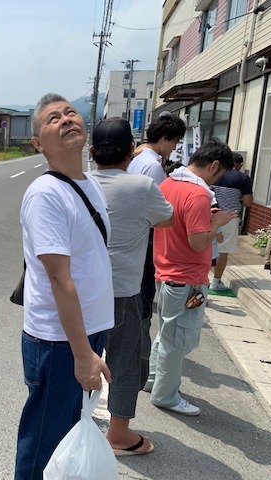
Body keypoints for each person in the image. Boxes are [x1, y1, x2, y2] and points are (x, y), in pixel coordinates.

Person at [15, 93, 114, 479]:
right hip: (59, 340)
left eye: (71, 112)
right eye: (53, 118)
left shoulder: (89, 184)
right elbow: (59, 278)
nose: (67, 119)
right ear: (38, 143)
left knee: (67, 435)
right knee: (44, 440)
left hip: (85, 331)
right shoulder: (46, 194)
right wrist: (83, 354)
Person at [91, 118, 173, 456]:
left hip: (79, 292)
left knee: (77, 356)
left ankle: (69, 422)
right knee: (124, 361)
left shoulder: (79, 184)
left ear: (92, 152)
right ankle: (119, 434)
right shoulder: (142, 186)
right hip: (123, 290)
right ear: (130, 150)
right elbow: (167, 218)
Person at [144, 140, 237, 416]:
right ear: (214, 166)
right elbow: (198, 243)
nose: (217, 181)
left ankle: (153, 380)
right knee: (178, 340)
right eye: (219, 175)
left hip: (165, 271)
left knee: (167, 334)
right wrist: (216, 224)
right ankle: (166, 395)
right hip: (186, 278)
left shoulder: (169, 184)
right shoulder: (198, 194)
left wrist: (206, 220)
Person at [127, 114, 187, 336]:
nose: (174, 148)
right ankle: (140, 338)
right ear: (164, 138)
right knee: (144, 290)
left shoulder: (138, 160)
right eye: (175, 142)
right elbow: (161, 208)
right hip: (147, 235)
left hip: (134, 231)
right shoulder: (153, 166)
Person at [211, 152, 253, 288]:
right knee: (223, 250)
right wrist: (237, 200)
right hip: (229, 217)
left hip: (211, 214)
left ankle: (201, 279)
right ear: (240, 164)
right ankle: (216, 282)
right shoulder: (243, 178)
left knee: (207, 247)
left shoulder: (215, 173)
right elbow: (248, 201)